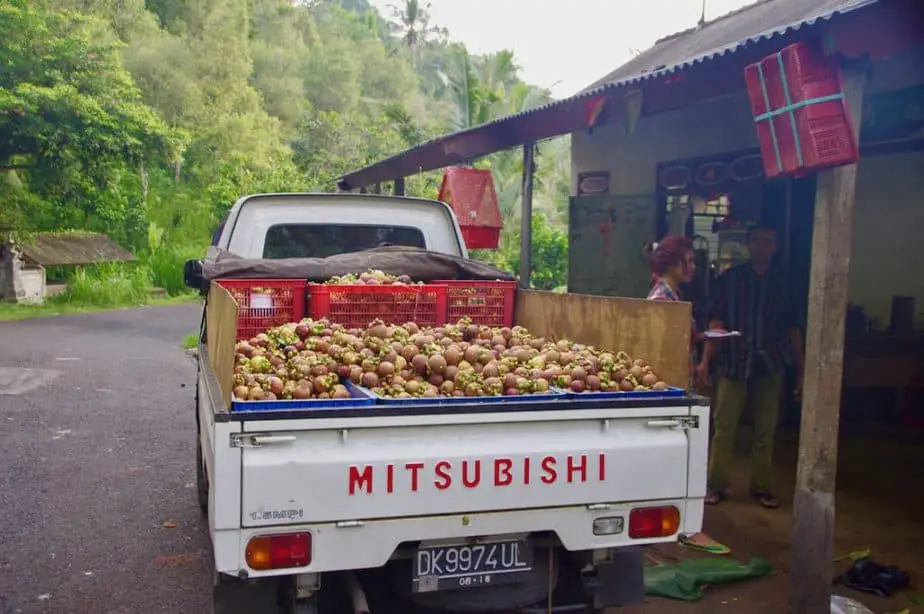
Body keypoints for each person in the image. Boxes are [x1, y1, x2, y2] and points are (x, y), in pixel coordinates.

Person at [700, 225, 804, 510]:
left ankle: (762, 488)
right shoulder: (731, 280)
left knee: (765, 429)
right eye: (756, 241)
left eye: (767, 241)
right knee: (724, 426)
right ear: (748, 245)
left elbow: (794, 329)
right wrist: (706, 360)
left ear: (775, 246)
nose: (761, 246)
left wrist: (802, 371)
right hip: (734, 360)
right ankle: (716, 485)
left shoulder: (783, 284)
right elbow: (716, 323)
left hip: (771, 363)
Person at [646, 235, 731, 556]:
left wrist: (700, 338)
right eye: (689, 261)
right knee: (685, 456)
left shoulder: (671, 295)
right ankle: (689, 527)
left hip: (680, 384)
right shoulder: (663, 300)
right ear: (672, 263)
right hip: (674, 390)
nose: (693, 267)